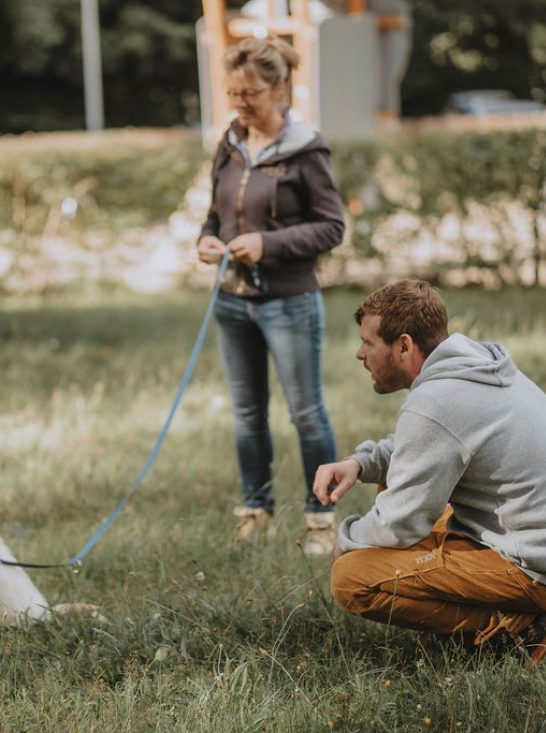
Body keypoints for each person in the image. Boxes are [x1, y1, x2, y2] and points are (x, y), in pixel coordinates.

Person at [313, 280, 546, 664]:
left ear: (403, 346)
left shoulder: (438, 399)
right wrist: (360, 463)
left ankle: (519, 628)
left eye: (369, 343)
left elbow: (400, 523)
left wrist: (347, 539)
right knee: (395, 493)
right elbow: (426, 445)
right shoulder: (471, 365)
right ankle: (511, 617)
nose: (359, 354)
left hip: (543, 568)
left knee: (352, 577)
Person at [197, 35, 346, 555]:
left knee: (306, 414)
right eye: (233, 92)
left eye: (250, 94)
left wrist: (269, 244)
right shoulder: (230, 141)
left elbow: (331, 227)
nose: (240, 103)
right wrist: (207, 240)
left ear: (279, 88)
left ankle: (320, 520)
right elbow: (215, 212)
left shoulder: (306, 149)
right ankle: (255, 512)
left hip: (289, 300)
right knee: (246, 415)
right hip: (231, 301)